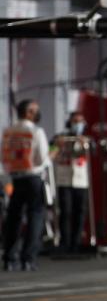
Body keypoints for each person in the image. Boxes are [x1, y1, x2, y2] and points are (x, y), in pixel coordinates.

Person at [2, 100, 51, 271]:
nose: (38, 113)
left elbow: (4, 157)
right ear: (29, 112)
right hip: (33, 177)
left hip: (15, 178)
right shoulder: (36, 131)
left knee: (14, 218)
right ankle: (28, 258)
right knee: (35, 217)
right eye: (35, 110)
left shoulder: (9, 132)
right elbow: (41, 159)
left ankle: (9, 258)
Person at [51, 111, 91, 258]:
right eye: (75, 121)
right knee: (65, 211)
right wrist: (57, 143)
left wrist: (84, 143)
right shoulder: (61, 137)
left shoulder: (86, 139)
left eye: (80, 121)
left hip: (81, 180)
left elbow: (92, 153)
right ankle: (64, 243)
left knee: (80, 213)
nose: (77, 124)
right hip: (64, 179)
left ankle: (76, 243)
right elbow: (50, 150)